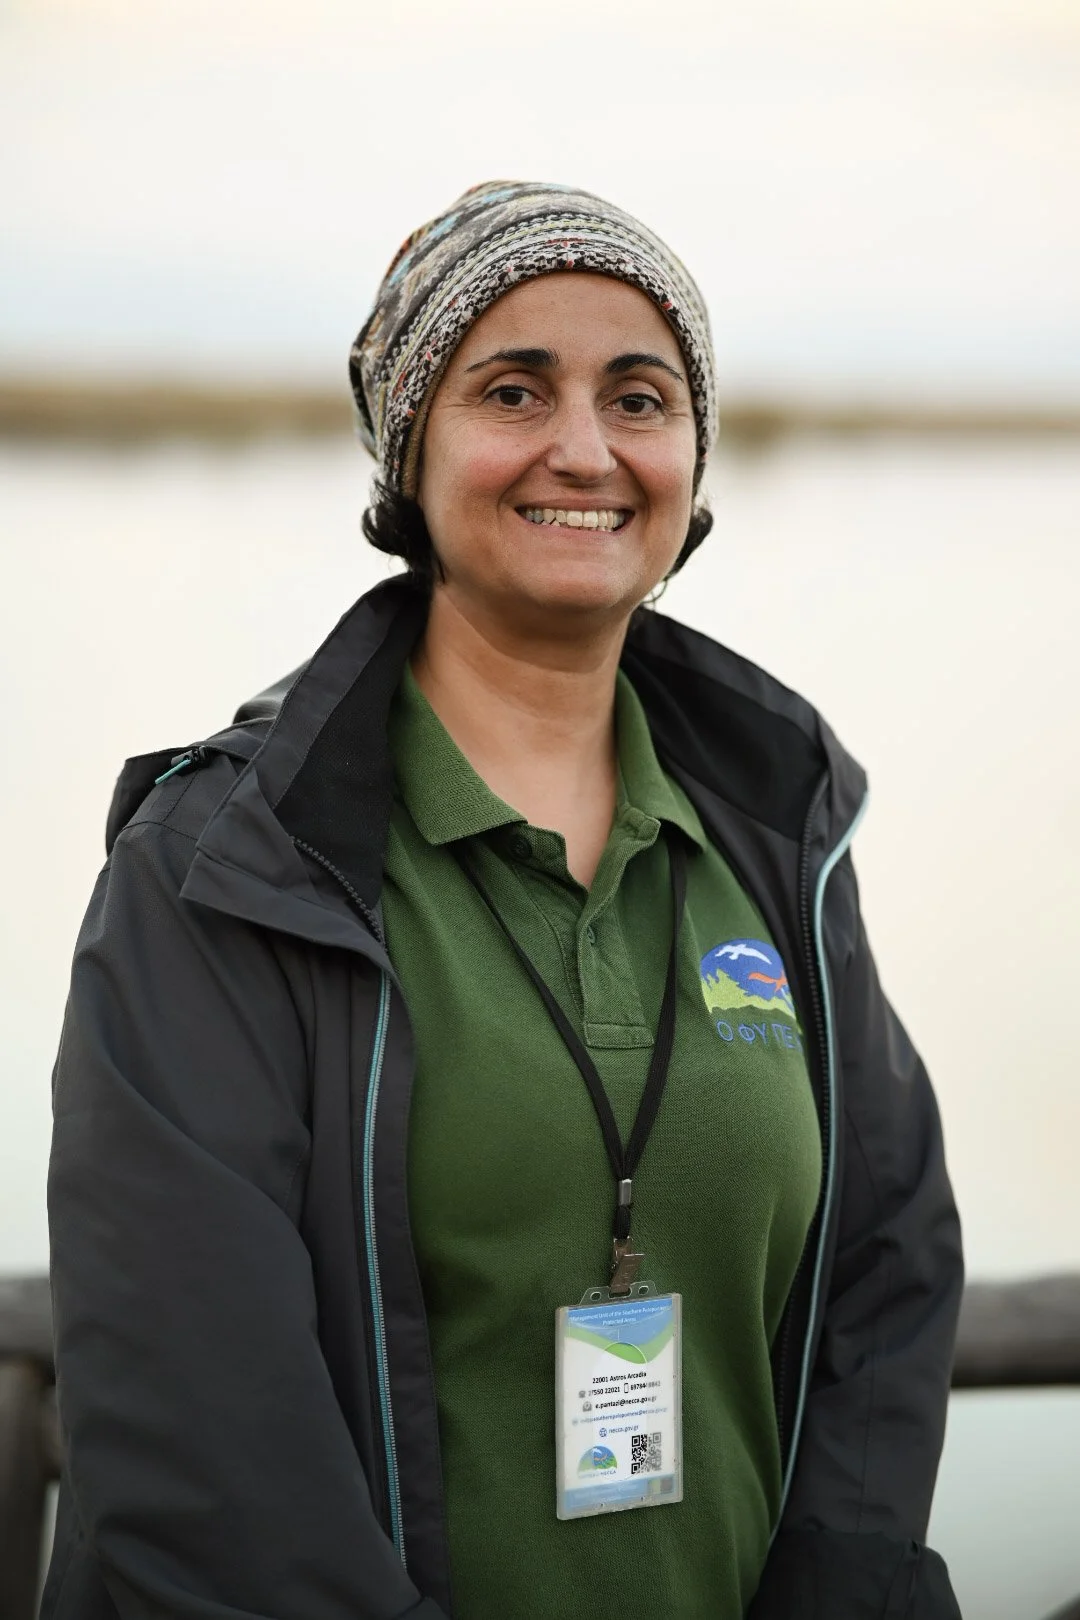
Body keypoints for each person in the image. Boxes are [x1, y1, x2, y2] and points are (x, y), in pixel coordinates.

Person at [43, 181, 963, 1620]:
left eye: (641, 397)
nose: (583, 448)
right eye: (514, 390)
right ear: (411, 452)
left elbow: (891, 1266)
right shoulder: (221, 867)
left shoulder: (778, 836)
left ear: (693, 461)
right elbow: (193, 1430)